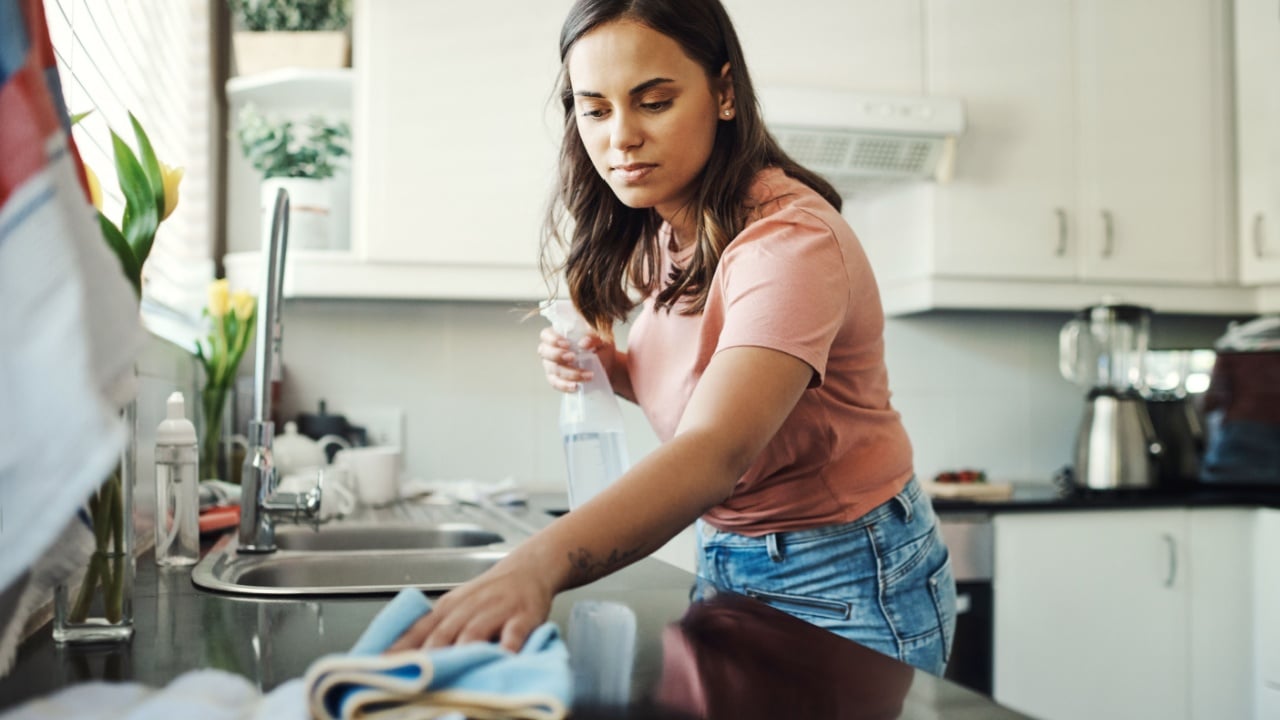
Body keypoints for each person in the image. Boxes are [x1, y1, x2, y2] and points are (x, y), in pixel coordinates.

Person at [390, 0, 956, 675]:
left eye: (652, 102)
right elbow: (712, 388)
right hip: (731, 552)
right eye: (594, 110)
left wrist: (536, 565)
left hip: (842, 573)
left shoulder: (789, 243)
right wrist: (617, 370)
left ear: (722, 93)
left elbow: (716, 447)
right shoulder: (676, 228)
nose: (620, 137)